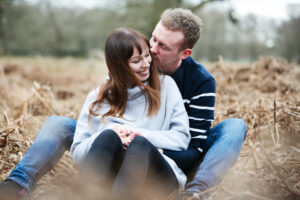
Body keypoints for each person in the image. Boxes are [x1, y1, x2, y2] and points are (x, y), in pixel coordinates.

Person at [0, 8, 247, 200]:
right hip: (119, 135)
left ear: (184, 54)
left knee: (234, 127)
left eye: (162, 46)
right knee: (59, 124)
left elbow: (191, 146)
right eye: (153, 38)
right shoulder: (136, 59)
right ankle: (18, 184)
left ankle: (197, 192)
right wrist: (117, 135)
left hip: (168, 151)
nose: (152, 49)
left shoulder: (199, 82)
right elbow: (109, 107)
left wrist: (140, 140)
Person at [70, 27, 190, 200]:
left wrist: (136, 134)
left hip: (158, 177)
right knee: (107, 136)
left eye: (147, 55)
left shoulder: (166, 86)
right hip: (111, 177)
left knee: (140, 144)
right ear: (119, 66)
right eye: (137, 60)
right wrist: (111, 132)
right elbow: (78, 154)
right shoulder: (96, 99)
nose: (146, 63)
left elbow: (182, 138)